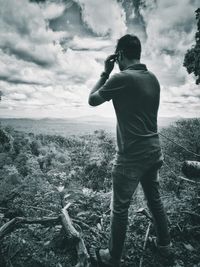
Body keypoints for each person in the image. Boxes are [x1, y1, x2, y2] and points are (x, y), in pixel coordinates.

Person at [88, 34, 171, 267]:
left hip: (130, 157)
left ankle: (112, 257)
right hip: (153, 152)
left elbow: (92, 100)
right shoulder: (153, 78)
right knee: (155, 200)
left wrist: (105, 72)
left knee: (120, 208)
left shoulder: (120, 78)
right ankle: (165, 245)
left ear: (120, 54)